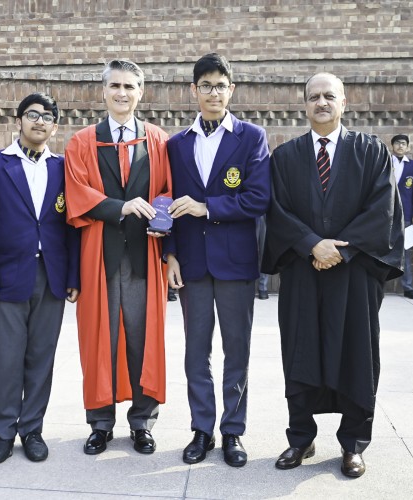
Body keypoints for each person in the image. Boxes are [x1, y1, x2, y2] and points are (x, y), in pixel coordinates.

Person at [262, 73, 403, 478]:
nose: (321, 102)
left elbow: (383, 208)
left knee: (358, 353)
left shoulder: (371, 152)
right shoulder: (285, 157)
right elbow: (276, 210)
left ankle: (353, 444)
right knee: (300, 350)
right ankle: (300, 438)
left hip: (355, 271)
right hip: (303, 270)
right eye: (313, 96)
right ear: (304, 105)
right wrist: (311, 244)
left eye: (329, 96)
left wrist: (341, 249)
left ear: (344, 102)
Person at [163, 53, 270, 467]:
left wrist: (206, 207)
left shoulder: (251, 137)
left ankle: (233, 431)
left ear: (231, 90)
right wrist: (170, 253)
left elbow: (258, 198)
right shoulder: (177, 144)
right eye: (205, 86)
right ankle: (201, 429)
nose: (213, 93)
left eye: (220, 86)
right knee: (196, 352)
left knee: (236, 351)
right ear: (194, 90)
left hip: (236, 262)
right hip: (192, 262)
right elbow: (168, 202)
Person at [64, 59, 172, 456]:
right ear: (104, 91)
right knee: (99, 340)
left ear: (141, 92)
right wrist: (120, 207)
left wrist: (163, 223)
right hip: (99, 256)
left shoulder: (157, 140)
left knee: (144, 340)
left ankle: (142, 422)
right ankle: (100, 423)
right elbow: (76, 193)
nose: (122, 93)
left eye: (129, 86)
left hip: (145, 256)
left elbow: (168, 191)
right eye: (115, 86)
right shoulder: (82, 142)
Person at [0, 92, 81, 464]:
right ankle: (3, 431)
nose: (39, 121)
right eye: (32, 115)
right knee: (7, 358)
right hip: (6, 278)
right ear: (18, 121)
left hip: (51, 277)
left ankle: (32, 429)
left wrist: (73, 275)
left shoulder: (63, 168)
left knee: (41, 358)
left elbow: (72, 226)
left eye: (47, 117)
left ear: (54, 126)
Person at [391, 134, 413, 300]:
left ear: (407, 147)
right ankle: (379, 285)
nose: (400, 146)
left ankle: (408, 287)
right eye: (397, 143)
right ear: (392, 146)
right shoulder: (385, 161)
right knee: (381, 249)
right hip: (386, 214)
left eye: (403, 143)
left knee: (405, 253)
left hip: (406, 215)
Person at [256, 216, 270, 300]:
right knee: (248, 251)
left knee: (264, 251)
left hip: (265, 214)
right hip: (249, 214)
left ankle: (263, 286)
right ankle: (247, 285)